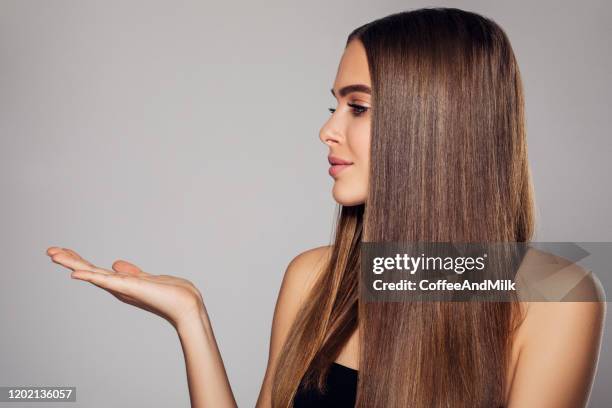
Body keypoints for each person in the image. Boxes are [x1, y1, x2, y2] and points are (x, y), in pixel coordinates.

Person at [46, 7, 605, 408]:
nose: (327, 130)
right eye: (334, 105)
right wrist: (190, 318)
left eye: (357, 107)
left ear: (435, 125)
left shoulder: (556, 300)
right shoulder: (315, 276)